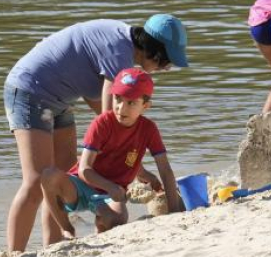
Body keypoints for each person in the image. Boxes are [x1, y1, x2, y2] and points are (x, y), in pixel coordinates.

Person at [3, 14, 188, 252]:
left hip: (59, 98)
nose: (167, 68)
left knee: (62, 175)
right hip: (29, 90)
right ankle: (14, 255)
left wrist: (136, 168)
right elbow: (111, 121)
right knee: (36, 180)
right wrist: (137, 169)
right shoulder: (119, 55)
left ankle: (53, 244)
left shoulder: (124, 47)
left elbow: (107, 120)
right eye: (167, 62)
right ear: (155, 52)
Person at [40, 68, 181, 237]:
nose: (121, 108)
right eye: (118, 99)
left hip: (109, 194)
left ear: (145, 106)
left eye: (131, 103)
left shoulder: (148, 129)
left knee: (117, 220)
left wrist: (174, 212)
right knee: (48, 175)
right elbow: (84, 169)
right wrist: (110, 186)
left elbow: (165, 169)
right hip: (81, 186)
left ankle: (100, 225)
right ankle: (67, 228)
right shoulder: (102, 123)